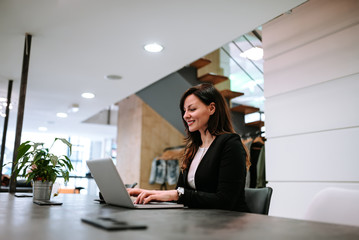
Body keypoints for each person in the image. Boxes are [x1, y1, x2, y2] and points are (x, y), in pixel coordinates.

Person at [128, 83, 250, 212]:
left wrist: (178, 194)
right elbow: (181, 193)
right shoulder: (193, 148)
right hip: (199, 220)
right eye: (184, 110)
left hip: (228, 224)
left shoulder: (230, 144)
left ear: (212, 108)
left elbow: (226, 200)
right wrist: (152, 193)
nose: (185, 115)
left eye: (191, 109)